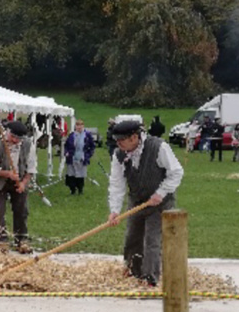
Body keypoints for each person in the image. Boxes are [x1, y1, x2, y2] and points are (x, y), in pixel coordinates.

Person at [107, 120, 184, 287]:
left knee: (152, 240)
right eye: (117, 141)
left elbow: (176, 172)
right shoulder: (119, 154)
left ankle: (150, 278)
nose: (118, 144)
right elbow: (117, 183)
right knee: (132, 236)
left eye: (121, 141)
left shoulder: (158, 147)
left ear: (134, 137)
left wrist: (160, 193)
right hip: (137, 199)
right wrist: (114, 210)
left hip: (160, 202)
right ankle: (133, 271)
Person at [0, 121, 37, 254]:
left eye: (17, 139)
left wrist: (23, 184)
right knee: (0, 212)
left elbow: (31, 168)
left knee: (22, 210)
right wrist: (7, 173)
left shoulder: (28, 145)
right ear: (7, 133)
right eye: (12, 137)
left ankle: (21, 240)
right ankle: (1, 241)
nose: (14, 140)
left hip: (19, 181)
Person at [64, 119, 96, 196]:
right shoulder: (72, 135)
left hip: (82, 158)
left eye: (80, 125)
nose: (79, 127)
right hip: (72, 158)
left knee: (80, 175)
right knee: (71, 175)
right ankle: (72, 190)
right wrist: (66, 152)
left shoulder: (87, 135)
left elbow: (92, 146)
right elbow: (66, 145)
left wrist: (89, 154)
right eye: (77, 125)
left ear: (83, 126)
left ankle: (80, 190)